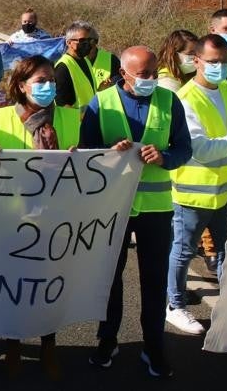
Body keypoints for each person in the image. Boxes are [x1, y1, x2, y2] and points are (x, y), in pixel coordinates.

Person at [81, 46, 192, 378]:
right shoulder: (100, 103)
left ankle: (154, 347)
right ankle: (107, 339)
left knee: (154, 282)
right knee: (109, 279)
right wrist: (110, 153)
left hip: (156, 210)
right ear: (124, 74)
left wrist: (164, 157)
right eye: (143, 74)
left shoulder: (169, 102)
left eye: (153, 73)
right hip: (114, 208)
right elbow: (86, 154)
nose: (150, 80)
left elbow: (184, 148)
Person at [0, 54, 78, 380]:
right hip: (14, 218)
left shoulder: (69, 117)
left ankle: (49, 346)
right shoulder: (2, 117)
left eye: (51, 81)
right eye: (40, 81)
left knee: (50, 285)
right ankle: (14, 345)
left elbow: (92, 161)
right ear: (22, 86)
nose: (49, 86)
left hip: (54, 216)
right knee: (16, 286)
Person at [164, 33, 227, 338]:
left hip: (225, 190)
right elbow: (201, 148)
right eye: (212, 62)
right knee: (182, 251)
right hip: (193, 193)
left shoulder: (225, 91)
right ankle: (175, 305)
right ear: (196, 61)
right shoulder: (185, 98)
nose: (218, 67)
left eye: (224, 62)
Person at [54, 21, 100, 109]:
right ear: (69, 43)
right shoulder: (63, 67)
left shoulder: (85, 60)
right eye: (82, 40)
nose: (87, 44)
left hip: (90, 119)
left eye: (89, 40)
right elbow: (61, 104)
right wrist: (81, 116)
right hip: (76, 121)